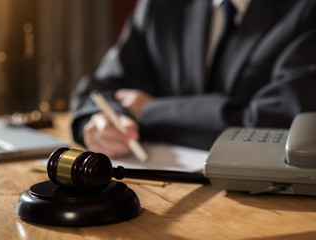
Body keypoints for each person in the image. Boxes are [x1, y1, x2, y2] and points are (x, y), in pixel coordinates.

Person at [70, 0, 316, 158]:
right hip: (158, 189)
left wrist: (149, 110)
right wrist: (103, 123)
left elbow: (285, 122)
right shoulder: (160, 6)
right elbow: (98, 89)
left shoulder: (306, 10)